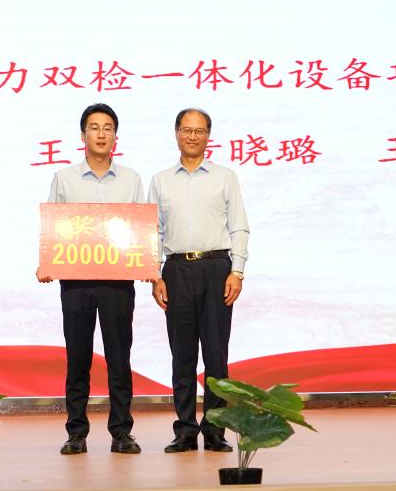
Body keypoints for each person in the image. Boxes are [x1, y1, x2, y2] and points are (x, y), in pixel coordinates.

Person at [38, 103, 143, 455]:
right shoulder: (64, 178)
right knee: (78, 358)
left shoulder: (130, 180)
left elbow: (140, 229)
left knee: (119, 358)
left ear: (116, 136)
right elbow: (53, 227)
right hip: (76, 281)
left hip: (118, 282)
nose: (101, 134)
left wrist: (147, 265)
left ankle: (121, 432)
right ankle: (76, 433)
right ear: (82, 135)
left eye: (108, 128)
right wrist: (46, 262)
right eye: (94, 128)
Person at [149, 107, 250, 453]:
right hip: (176, 271)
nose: (193, 136)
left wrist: (237, 270)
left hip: (216, 268)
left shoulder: (225, 177)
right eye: (186, 130)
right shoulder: (161, 180)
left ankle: (216, 429)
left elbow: (239, 226)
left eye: (200, 130)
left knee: (216, 355)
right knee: (182, 354)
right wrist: (154, 275)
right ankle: (185, 430)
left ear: (208, 136)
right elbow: (153, 231)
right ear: (176, 133)